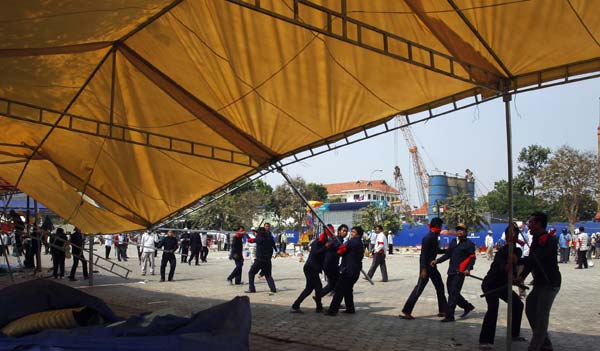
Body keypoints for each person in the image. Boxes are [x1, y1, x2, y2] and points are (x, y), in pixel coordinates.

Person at [479, 223, 526, 349]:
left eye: (514, 234)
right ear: (505, 236)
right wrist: (509, 263)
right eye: (509, 234)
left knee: (518, 305)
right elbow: (502, 269)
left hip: (503, 285)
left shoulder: (517, 250)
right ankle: (485, 340)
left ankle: (514, 334)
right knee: (493, 308)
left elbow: (516, 268)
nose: (511, 236)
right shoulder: (501, 252)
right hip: (491, 284)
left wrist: (515, 277)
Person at [518, 211, 561, 351]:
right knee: (530, 309)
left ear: (538, 224)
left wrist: (518, 260)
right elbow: (531, 263)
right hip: (539, 283)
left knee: (542, 315)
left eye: (530, 222)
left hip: (550, 283)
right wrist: (521, 276)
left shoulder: (550, 240)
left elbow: (537, 258)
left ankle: (535, 347)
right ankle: (546, 343)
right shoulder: (536, 239)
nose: (528, 225)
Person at [400, 217, 447, 320]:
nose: (441, 228)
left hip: (432, 267)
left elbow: (436, 251)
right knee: (419, 289)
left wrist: (446, 251)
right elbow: (423, 255)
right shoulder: (428, 237)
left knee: (440, 287)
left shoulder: (434, 236)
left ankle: (443, 310)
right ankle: (406, 311)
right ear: (437, 226)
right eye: (440, 226)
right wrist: (423, 269)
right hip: (426, 268)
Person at [432, 223, 476, 322]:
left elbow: (472, 258)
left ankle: (449, 316)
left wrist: (468, 269)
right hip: (451, 271)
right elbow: (447, 255)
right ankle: (467, 306)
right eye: (458, 230)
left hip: (460, 273)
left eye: (462, 230)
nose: (459, 231)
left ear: (465, 232)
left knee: (453, 294)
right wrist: (437, 261)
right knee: (452, 292)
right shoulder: (453, 242)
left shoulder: (469, 244)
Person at [291, 226, 331, 313]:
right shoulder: (317, 243)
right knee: (318, 287)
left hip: (313, 268)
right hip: (310, 268)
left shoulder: (325, 242)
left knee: (309, 289)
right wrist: (325, 247)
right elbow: (315, 253)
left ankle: (296, 305)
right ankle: (318, 307)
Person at [326, 226, 364, 316]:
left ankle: (332, 311)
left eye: (353, 232)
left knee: (339, 290)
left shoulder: (352, 242)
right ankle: (350, 308)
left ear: (358, 234)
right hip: (355, 271)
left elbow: (341, 250)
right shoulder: (359, 243)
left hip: (348, 271)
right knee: (348, 290)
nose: (351, 233)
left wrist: (334, 242)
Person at [245, 227, 277, 293]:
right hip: (267, 260)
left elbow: (250, 240)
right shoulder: (269, 238)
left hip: (259, 260)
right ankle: (273, 289)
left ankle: (252, 289)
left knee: (251, 273)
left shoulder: (259, 238)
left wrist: (246, 235)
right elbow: (274, 245)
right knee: (268, 275)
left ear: (259, 233)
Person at [321, 224, 348, 296]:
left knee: (333, 283)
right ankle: (320, 295)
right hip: (330, 264)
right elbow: (333, 248)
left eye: (346, 231)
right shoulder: (337, 240)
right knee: (338, 283)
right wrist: (340, 250)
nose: (345, 232)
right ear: (339, 231)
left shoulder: (339, 240)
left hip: (332, 264)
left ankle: (319, 295)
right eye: (343, 231)